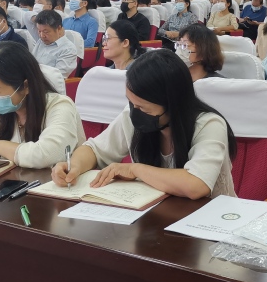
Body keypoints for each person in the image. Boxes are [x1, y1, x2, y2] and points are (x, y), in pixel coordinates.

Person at [52, 49, 236, 199]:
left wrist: (135, 169)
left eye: (144, 108)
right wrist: (74, 166)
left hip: (210, 219)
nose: (135, 111)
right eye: (131, 102)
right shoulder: (133, 112)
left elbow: (196, 185)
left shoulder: (209, 124)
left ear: (172, 104)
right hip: (155, 213)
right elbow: (95, 150)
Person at [32, 10, 78, 77]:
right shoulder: (41, 41)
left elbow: (57, 76)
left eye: (46, 32)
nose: (42, 35)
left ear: (59, 28)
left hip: (47, 82)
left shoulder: (68, 49)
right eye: (39, 31)